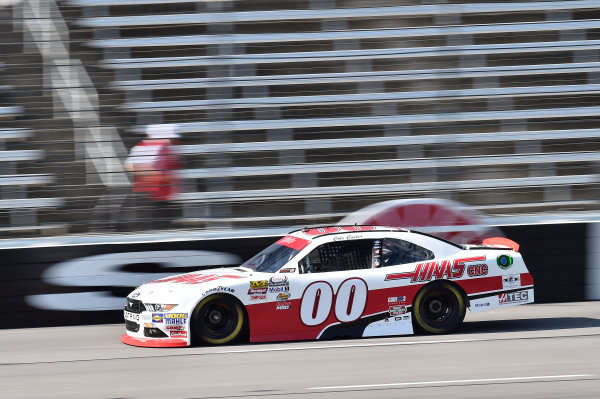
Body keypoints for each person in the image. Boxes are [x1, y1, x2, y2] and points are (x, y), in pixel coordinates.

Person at [123, 124, 182, 230]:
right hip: (151, 194)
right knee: (155, 224)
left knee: (164, 223)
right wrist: (159, 175)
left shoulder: (165, 147)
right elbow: (130, 166)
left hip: (165, 194)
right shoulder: (143, 147)